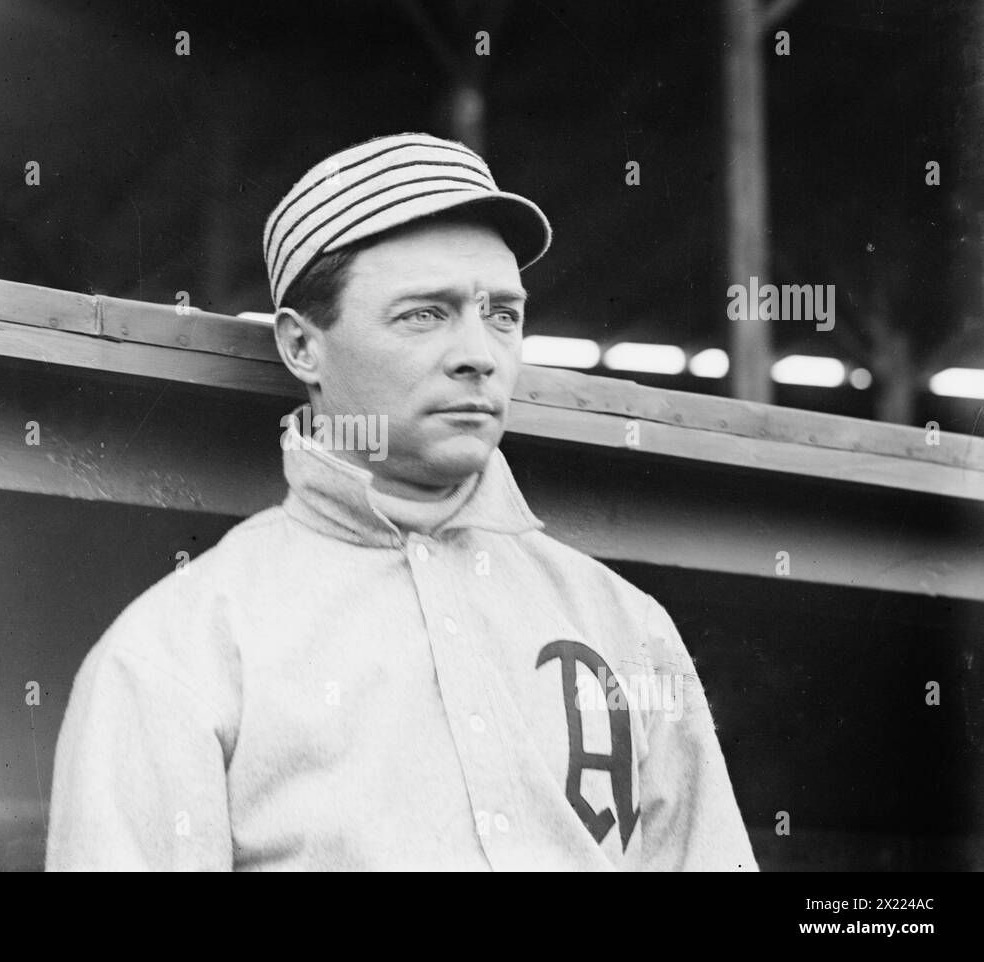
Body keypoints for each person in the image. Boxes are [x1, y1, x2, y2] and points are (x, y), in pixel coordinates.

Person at [46, 132, 757, 871]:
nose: (480, 353)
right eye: (425, 314)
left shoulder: (625, 626)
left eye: (503, 315)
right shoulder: (179, 650)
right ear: (302, 346)